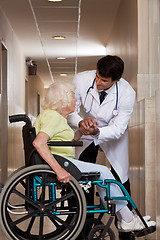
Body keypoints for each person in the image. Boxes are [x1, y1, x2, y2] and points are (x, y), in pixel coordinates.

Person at [33, 82, 155, 238]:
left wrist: (81, 132)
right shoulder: (53, 117)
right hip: (61, 162)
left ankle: (126, 217)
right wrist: (59, 170)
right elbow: (39, 142)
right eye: (72, 98)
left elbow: (63, 141)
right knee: (103, 171)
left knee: (102, 173)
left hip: (62, 159)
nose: (76, 101)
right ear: (63, 101)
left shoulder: (51, 116)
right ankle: (127, 218)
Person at [67, 55, 136, 239]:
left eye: (104, 80)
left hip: (112, 135)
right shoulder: (81, 79)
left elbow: (118, 129)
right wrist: (82, 122)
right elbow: (70, 110)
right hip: (85, 130)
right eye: (97, 76)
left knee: (120, 178)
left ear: (116, 80)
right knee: (84, 176)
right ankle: (84, 227)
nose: (98, 82)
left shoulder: (127, 93)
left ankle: (125, 229)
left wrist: (97, 132)